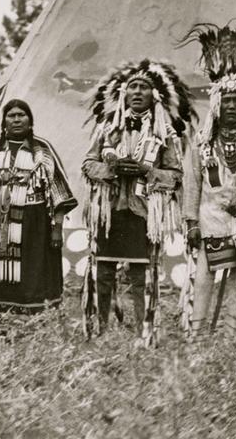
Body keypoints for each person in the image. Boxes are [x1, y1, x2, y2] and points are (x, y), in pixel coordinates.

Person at [82, 59, 192, 344]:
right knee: (103, 270)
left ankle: (145, 331)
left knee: (141, 274)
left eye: (144, 87)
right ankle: (101, 329)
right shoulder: (107, 129)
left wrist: (147, 171)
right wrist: (111, 170)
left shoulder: (163, 134)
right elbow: (88, 163)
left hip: (143, 211)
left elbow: (175, 175)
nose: (138, 92)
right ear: (124, 94)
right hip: (110, 209)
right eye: (133, 87)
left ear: (153, 96)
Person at [179, 21, 236, 338]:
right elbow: (191, 183)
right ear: (216, 105)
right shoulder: (201, 143)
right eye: (226, 100)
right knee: (203, 278)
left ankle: (233, 336)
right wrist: (190, 222)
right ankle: (198, 335)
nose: (231, 106)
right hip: (209, 222)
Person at [0, 99, 77, 319]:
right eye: (11, 115)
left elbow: (60, 194)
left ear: (30, 121)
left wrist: (57, 228)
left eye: (22, 115)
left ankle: (32, 317)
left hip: (35, 223)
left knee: (32, 270)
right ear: (4, 122)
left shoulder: (42, 150)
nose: (17, 119)